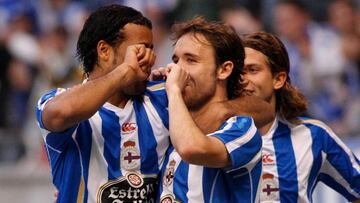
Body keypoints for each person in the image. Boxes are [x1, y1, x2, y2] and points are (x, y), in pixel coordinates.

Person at [35, 5, 273, 203]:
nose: (151, 59)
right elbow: (60, 114)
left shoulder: (162, 97)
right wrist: (124, 71)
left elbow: (264, 109)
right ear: (104, 51)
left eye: (152, 49)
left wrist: (220, 108)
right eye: (141, 50)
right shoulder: (62, 100)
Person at [241, 31, 360, 202]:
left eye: (252, 70)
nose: (242, 79)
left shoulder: (313, 135)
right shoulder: (213, 136)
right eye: (238, 72)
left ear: (278, 79)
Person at [158, 17, 262, 203]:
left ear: (224, 70)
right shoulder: (171, 121)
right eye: (175, 60)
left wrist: (173, 90)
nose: (177, 69)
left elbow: (191, 148)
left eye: (191, 60)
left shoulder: (242, 130)